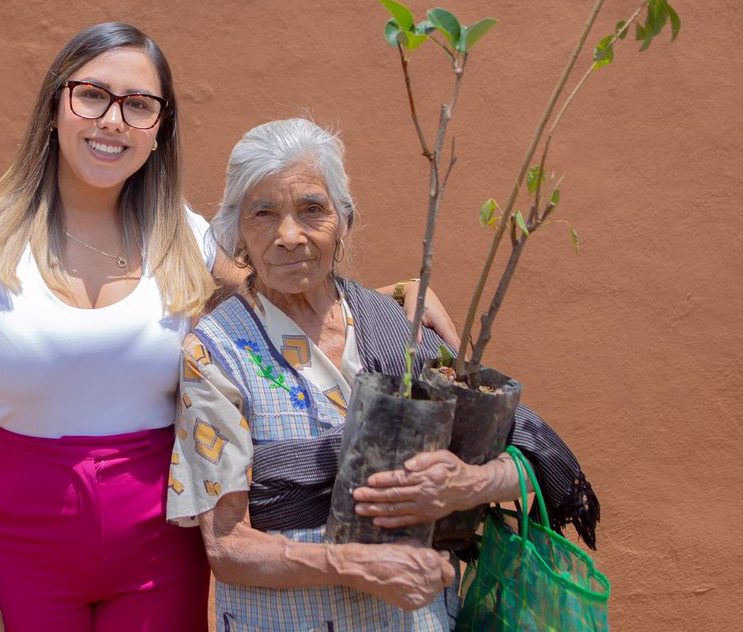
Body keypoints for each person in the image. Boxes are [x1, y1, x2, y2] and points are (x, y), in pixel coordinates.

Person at [0, 24, 460, 631]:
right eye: (91, 95)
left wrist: (397, 294)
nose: (112, 121)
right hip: (22, 535)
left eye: (138, 105)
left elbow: (280, 292)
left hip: (158, 543)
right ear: (54, 106)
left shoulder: (183, 236)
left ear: (159, 131)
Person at [167, 118, 600, 631]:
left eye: (312, 209)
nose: (289, 236)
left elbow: (521, 456)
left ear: (344, 222)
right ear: (237, 230)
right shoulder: (215, 352)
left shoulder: (397, 327)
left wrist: (469, 484)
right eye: (264, 213)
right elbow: (228, 546)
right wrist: (353, 564)